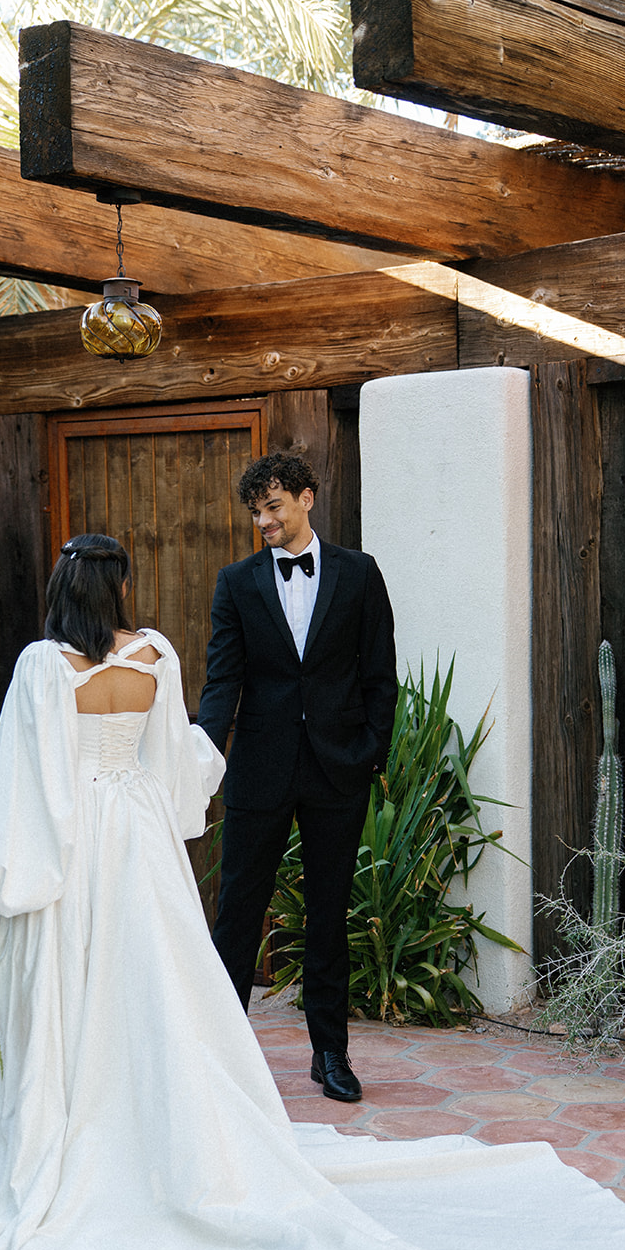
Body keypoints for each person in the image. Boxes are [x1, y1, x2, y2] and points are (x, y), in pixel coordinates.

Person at [0, 531, 625, 1250]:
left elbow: (26, 785)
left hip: (77, 844)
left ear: (60, 592)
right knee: (160, 983)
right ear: (117, 588)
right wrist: (153, 804)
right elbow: (186, 763)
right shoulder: (154, 654)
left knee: (76, 987)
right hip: (141, 845)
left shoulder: (44, 668)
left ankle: (73, 1113)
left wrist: (0, 879)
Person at [198, 453, 397, 1102]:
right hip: (259, 768)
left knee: (328, 915)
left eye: (273, 506)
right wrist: (204, 751)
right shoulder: (237, 582)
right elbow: (223, 678)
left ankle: (330, 1054)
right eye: (255, 511)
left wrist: (372, 752)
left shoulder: (359, 573)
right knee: (236, 913)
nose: (263, 520)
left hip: (338, 768)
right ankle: (225, 1057)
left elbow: (379, 675)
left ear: (307, 498)